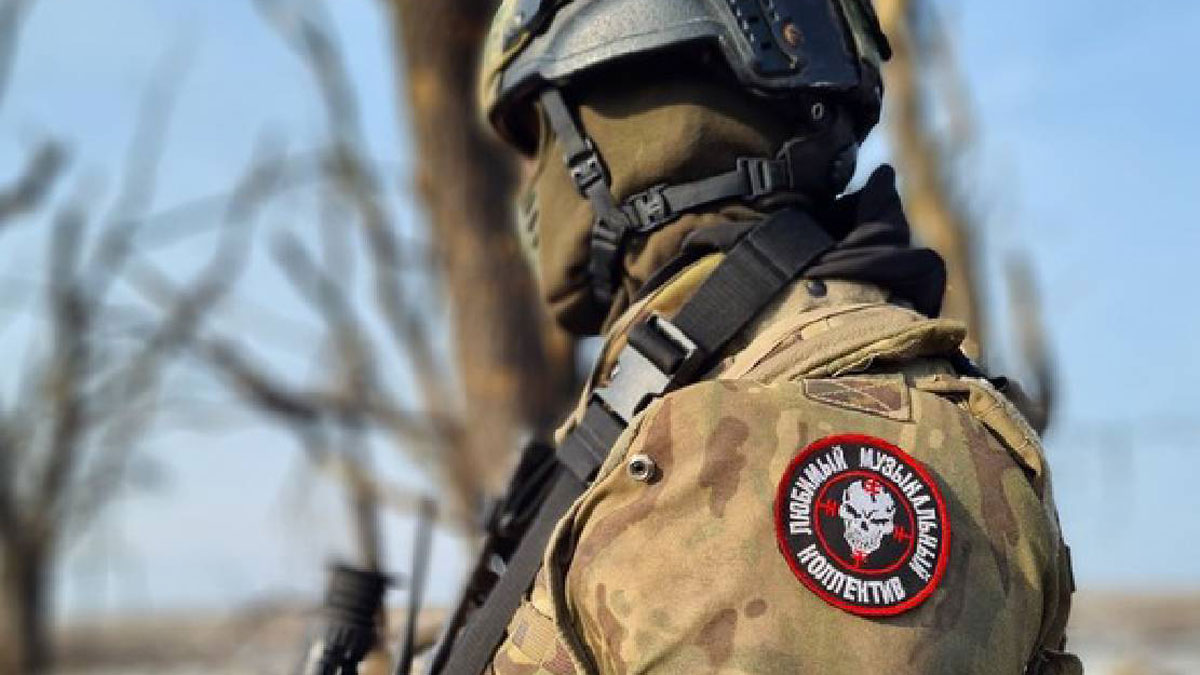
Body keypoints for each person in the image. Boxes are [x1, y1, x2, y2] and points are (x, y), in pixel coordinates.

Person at [437, 1, 1081, 672]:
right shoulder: (673, 384)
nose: (529, 185)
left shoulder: (786, 425)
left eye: (539, 138)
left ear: (631, 118)